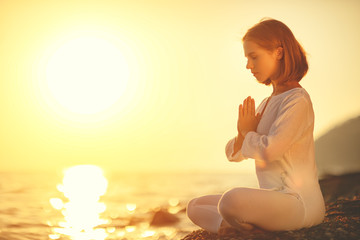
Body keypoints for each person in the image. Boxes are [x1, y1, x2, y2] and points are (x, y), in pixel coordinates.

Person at [186, 18, 325, 234]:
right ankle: (229, 228)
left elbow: (270, 151)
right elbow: (234, 154)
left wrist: (247, 132)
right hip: (273, 201)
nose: (248, 66)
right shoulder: (266, 102)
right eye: (247, 58)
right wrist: (243, 135)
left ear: (278, 53)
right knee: (195, 206)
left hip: (297, 203)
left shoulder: (297, 100)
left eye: (253, 57)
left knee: (230, 201)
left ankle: (238, 226)